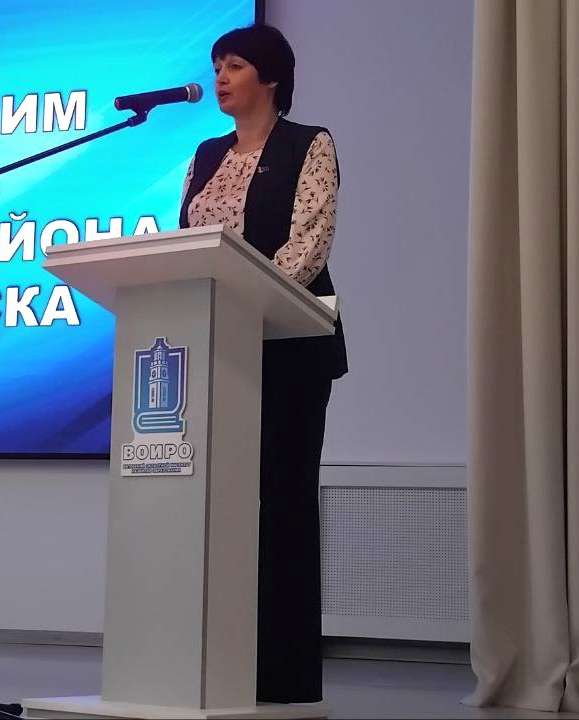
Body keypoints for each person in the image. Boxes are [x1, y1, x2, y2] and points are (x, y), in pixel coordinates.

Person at [179, 23, 348, 704]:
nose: (220, 76)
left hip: (287, 347)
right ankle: (216, 661)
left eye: (236, 65)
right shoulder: (206, 153)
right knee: (218, 504)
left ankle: (282, 674)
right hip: (216, 344)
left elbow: (309, 244)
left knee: (282, 501)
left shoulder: (309, 144)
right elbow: (189, 244)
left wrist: (246, 304)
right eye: (217, 64)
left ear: (271, 76)